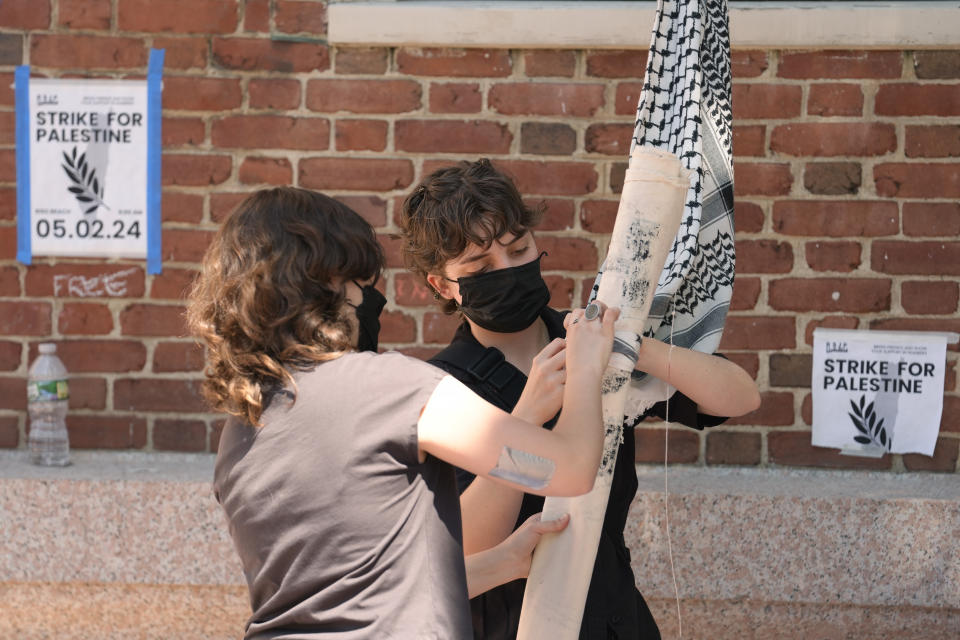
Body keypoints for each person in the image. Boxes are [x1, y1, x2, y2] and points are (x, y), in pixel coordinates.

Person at [187, 186, 619, 639]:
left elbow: (348, 590)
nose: (368, 297)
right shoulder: (391, 389)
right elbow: (569, 469)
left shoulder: (241, 431)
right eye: (360, 281)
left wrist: (501, 563)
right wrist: (587, 368)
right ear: (328, 284)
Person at [398, 159, 761, 640]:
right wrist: (526, 418)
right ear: (443, 285)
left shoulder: (583, 337)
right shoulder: (441, 388)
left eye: (517, 249)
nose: (506, 269)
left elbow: (739, 397)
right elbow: (460, 547)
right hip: (511, 625)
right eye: (480, 266)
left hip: (616, 616)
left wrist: (632, 347)